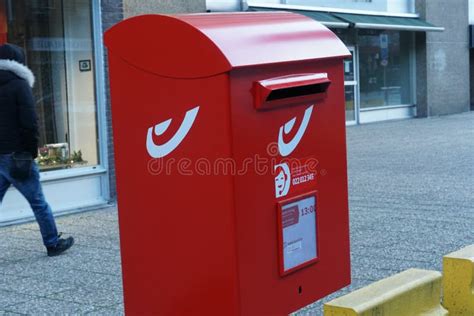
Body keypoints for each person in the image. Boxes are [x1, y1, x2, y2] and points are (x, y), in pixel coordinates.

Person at [0, 43, 74, 257]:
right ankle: (52, 243)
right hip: (17, 156)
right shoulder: (19, 85)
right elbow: (30, 123)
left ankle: (52, 241)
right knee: (38, 202)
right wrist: (31, 152)